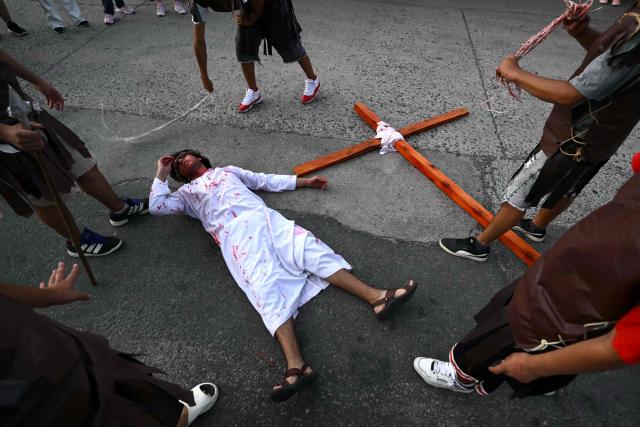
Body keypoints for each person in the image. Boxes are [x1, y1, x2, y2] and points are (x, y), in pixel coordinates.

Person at [150, 149, 418, 402]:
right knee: (265, 290)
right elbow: (157, 206)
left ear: (200, 157)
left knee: (311, 250)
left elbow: (264, 180)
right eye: (178, 164)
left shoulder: (227, 171)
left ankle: (378, 298)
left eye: (186, 156)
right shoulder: (186, 195)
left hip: (267, 220)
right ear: (181, 176)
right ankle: (297, 366)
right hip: (236, 238)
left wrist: (304, 181)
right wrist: (162, 172)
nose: (183, 161)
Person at [439, 2, 640, 261]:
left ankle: (479, 245)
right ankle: (537, 228)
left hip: (574, 137)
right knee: (568, 186)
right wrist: (582, 32)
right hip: (604, 138)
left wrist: (516, 74)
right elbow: (609, 64)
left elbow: (571, 94)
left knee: (521, 192)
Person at [414, 169, 640, 397]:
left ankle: (461, 376)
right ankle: (546, 373)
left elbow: (621, 346)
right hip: (574, 264)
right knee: (525, 314)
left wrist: (535, 367)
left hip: (579, 306)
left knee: (508, 335)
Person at [0, 261, 218, 426]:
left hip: (35, 345)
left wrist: (48, 295)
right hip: (24, 398)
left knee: (108, 379)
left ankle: (176, 417)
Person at [0, 49, 149, 257]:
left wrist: (38, 82)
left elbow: (2, 55)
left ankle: (120, 208)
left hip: (28, 113)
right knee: (45, 195)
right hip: (7, 141)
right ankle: (77, 241)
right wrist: (6, 132)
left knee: (81, 163)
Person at [191, 0, 321, 113]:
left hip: (274, 4)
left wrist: (252, 19)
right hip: (248, 6)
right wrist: (204, 76)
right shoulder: (199, 2)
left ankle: (313, 79)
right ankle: (253, 91)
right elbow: (199, 41)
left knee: (289, 46)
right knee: (244, 46)